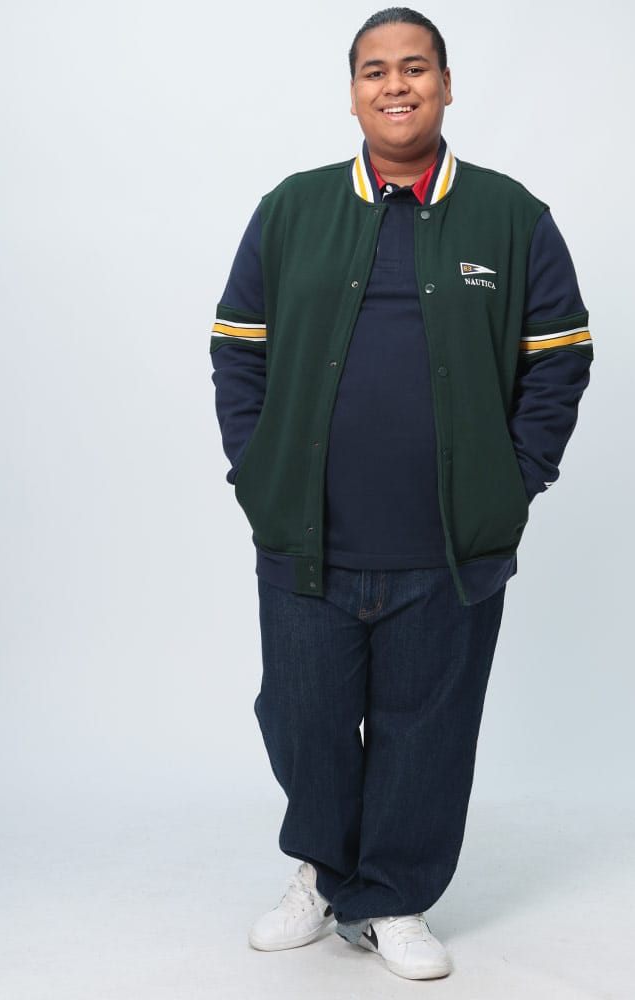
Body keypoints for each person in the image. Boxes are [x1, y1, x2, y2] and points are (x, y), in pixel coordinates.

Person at [209, 7, 592, 981]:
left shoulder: (511, 217)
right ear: (352, 94)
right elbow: (238, 349)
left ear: (446, 85)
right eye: (375, 70)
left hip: (448, 547)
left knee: (428, 733)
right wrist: (257, 470)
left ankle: (392, 897)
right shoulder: (292, 209)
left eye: (415, 68)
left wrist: (513, 482)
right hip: (308, 539)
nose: (396, 85)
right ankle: (323, 872)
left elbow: (559, 358)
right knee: (303, 719)